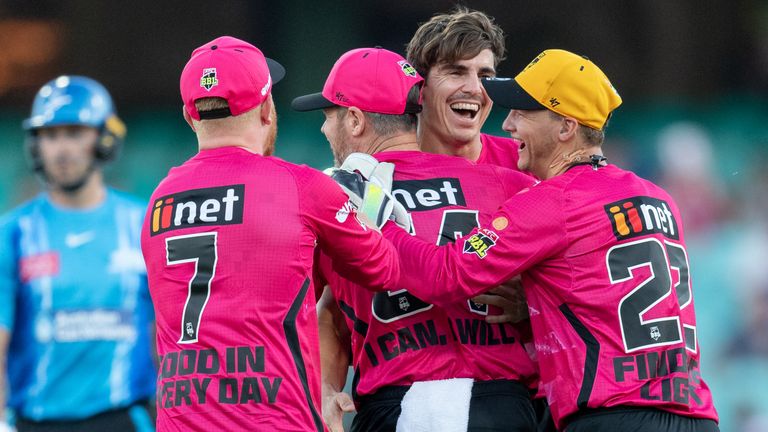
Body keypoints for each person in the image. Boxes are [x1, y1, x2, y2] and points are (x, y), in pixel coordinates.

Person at [378, 49, 720, 431]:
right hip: (696, 416)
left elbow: (448, 273)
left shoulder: (553, 200)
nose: (507, 124)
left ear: (565, 128)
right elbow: (600, 296)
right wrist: (534, 307)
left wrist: (378, 220)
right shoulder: (658, 197)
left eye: (522, 112)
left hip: (613, 417)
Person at [140, 36, 401, 432]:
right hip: (275, 421)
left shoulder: (159, 200)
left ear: (189, 117)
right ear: (266, 109)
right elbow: (384, 268)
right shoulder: (301, 187)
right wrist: (369, 205)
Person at [292, 47, 538, 432]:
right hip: (505, 405)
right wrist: (533, 303)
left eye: (329, 117)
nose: (324, 130)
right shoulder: (510, 183)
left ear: (354, 120)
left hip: (402, 405)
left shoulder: (329, 199)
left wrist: (322, 390)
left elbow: (307, 310)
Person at [0, 76, 156, 431]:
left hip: (126, 419)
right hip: (35, 422)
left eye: (74, 133)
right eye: (50, 135)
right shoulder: (13, 233)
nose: (62, 149)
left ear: (105, 138)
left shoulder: (144, 224)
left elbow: (166, 333)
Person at [406, 6, 520, 169]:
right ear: (419, 87)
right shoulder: (382, 174)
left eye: (484, 76)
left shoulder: (528, 165)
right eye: (456, 73)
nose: (475, 89)